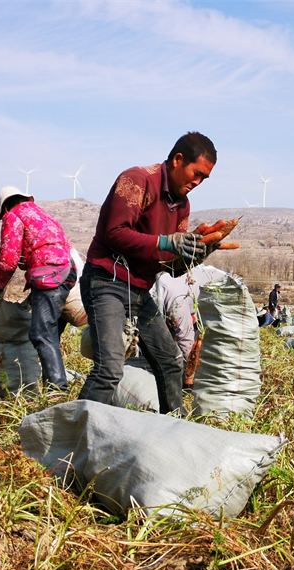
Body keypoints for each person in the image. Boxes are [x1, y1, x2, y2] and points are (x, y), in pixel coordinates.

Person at [76, 132, 216, 414]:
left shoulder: (182, 206)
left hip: (140, 290)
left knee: (171, 362)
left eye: (204, 178)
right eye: (196, 173)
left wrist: (196, 254)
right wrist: (165, 241)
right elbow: (114, 232)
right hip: (107, 281)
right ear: (178, 160)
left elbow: (169, 268)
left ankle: (173, 425)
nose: (197, 183)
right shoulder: (137, 180)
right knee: (110, 369)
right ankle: (70, 436)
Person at [0, 187, 75, 392]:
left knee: (41, 334)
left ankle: (57, 390)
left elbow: (8, 258)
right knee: (51, 334)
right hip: (68, 271)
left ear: (6, 207)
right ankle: (54, 383)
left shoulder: (14, 216)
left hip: (49, 275)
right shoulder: (43, 214)